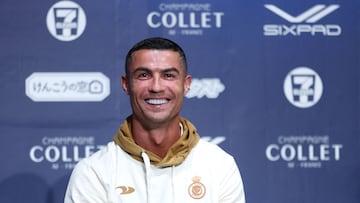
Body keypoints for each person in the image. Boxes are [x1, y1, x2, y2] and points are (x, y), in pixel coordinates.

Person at [64, 37, 246, 203]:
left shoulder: (220, 166)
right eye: (144, 75)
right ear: (126, 84)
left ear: (186, 84)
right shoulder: (94, 173)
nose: (156, 87)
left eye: (168, 75)